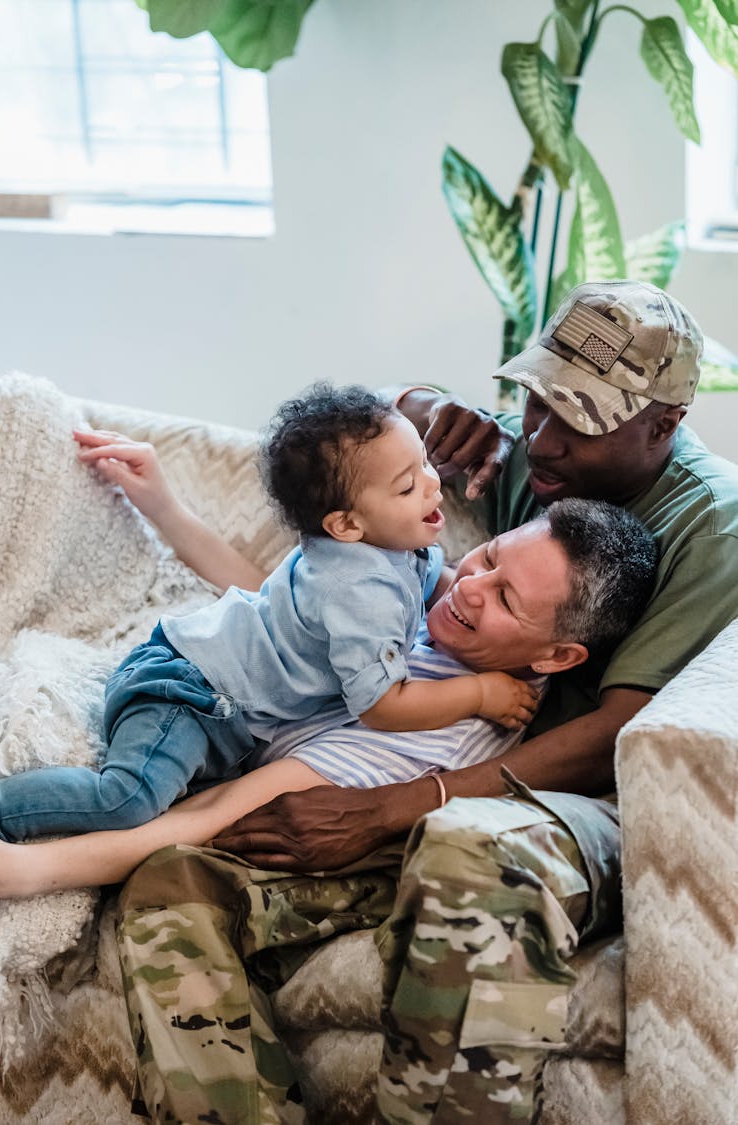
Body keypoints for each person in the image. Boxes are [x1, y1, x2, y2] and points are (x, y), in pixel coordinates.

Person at [106, 279, 738, 1125]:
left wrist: (388, 809)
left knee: (474, 852)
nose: (537, 439)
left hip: (561, 801)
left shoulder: (712, 528)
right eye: (533, 401)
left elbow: (612, 736)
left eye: (574, 421)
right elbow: (370, 460)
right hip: (408, 758)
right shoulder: (531, 457)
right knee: (174, 879)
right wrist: (432, 402)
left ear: (661, 424)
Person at [0, 497, 657, 904]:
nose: (470, 587)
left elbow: (210, 813)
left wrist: (25, 870)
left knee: (125, 793)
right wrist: (165, 507)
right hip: (192, 659)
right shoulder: (440, 594)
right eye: (488, 558)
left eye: (506, 598)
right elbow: (288, 618)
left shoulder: (437, 733)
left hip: (197, 701)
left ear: (555, 658)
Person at [0, 381, 539, 845]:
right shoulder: (355, 587)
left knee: (194, 802)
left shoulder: (397, 545)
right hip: (189, 694)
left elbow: (438, 585)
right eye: (407, 485)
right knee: (129, 800)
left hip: (223, 704)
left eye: (423, 464)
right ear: (345, 525)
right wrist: (481, 693)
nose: (432, 484)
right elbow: (381, 705)